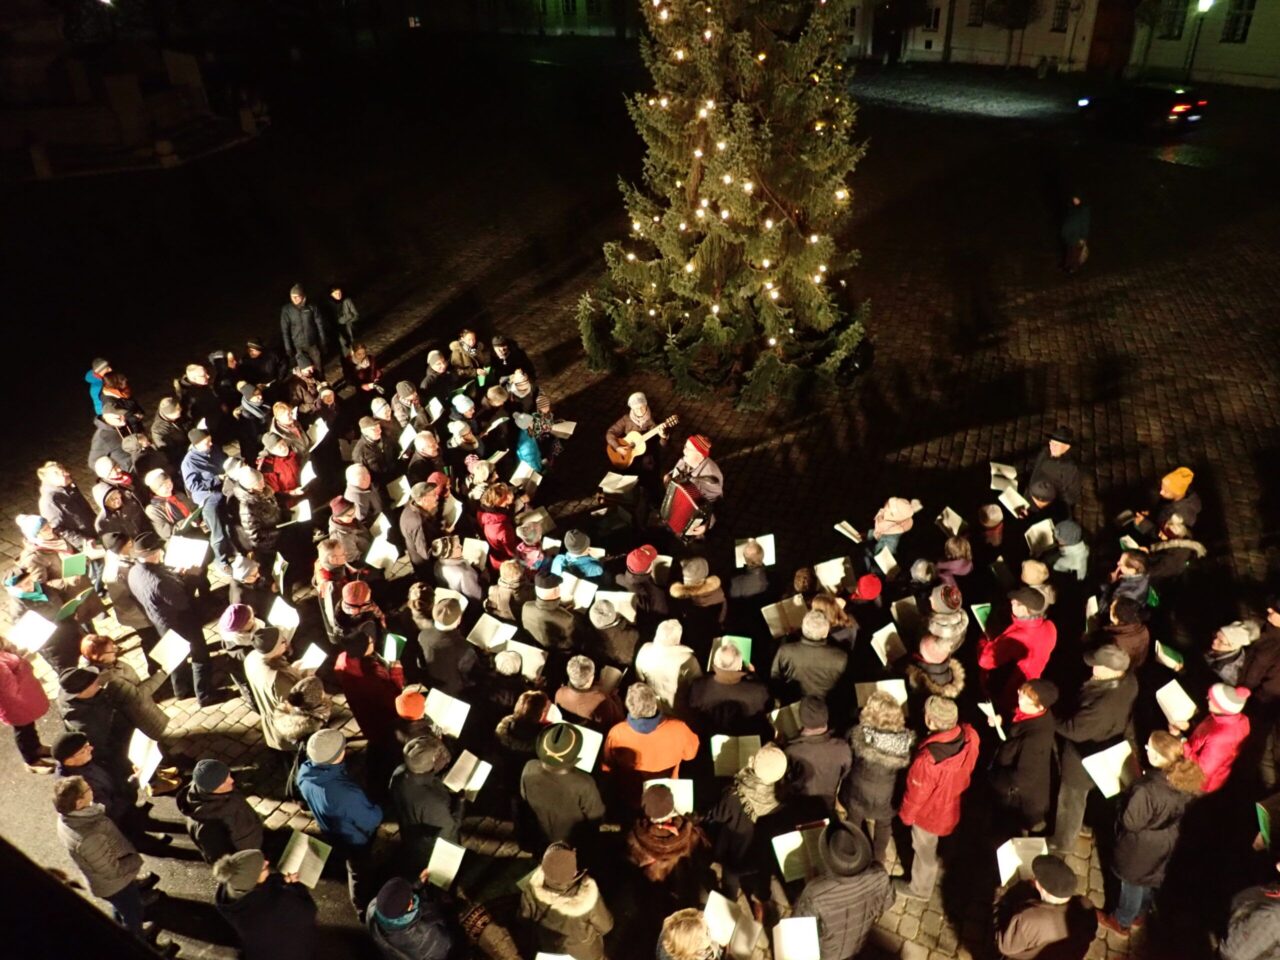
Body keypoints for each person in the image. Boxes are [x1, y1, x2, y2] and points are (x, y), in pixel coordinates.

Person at [1097, 731, 1204, 937]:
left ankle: (1122, 921)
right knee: (1149, 879)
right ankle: (1141, 914)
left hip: (1142, 847)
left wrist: (1123, 800)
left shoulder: (1147, 789)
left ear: (1159, 757)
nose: (1145, 749)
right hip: (1165, 840)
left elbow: (1131, 822)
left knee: (1132, 883)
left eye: (1149, 748)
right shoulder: (1185, 778)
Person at [1050, 645, 1138, 854]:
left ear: (1113, 671)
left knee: (1071, 801)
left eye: (1098, 666)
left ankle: (1064, 842)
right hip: (1106, 741)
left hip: (1082, 758)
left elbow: (1074, 729)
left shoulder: (1102, 704)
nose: (1093, 669)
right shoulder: (1130, 681)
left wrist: (1050, 716)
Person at [895, 696, 980, 902]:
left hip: (931, 814)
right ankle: (945, 860)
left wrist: (906, 817)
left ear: (930, 722)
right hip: (955, 802)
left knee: (924, 852)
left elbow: (916, 796)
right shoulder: (971, 735)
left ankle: (920, 889)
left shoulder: (927, 760)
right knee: (948, 839)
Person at [53, 775, 159, 941]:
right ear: (79, 802)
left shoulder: (68, 817)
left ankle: (123, 922)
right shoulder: (88, 837)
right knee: (133, 912)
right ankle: (139, 940)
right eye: (87, 789)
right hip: (115, 884)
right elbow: (111, 871)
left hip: (110, 883)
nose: (91, 789)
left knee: (122, 908)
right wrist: (133, 861)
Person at [295, 729, 383, 913]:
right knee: (358, 869)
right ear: (338, 754)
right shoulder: (346, 793)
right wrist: (378, 809)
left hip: (329, 829)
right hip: (354, 839)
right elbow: (371, 819)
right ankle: (362, 906)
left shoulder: (305, 772)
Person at [128, 531, 217, 704]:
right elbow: (182, 601)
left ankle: (181, 690)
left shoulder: (134, 572)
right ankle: (204, 694)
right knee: (200, 656)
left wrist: (176, 576)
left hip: (161, 621)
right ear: (153, 553)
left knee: (177, 658)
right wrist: (189, 578)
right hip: (181, 622)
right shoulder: (158, 580)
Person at [792, 820, 895, 960]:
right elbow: (888, 903)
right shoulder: (880, 874)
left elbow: (800, 929)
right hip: (861, 942)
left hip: (830, 952)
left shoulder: (814, 893)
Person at [704, 742, 789, 906]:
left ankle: (731, 902)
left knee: (731, 880)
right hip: (763, 855)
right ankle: (761, 900)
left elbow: (719, 815)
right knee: (762, 878)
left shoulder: (736, 795)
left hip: (737, 853)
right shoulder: (783, 800)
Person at [602, 683, 700, 805]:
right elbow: (690, 755)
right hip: (666, 794)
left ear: (628, 707)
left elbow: (608, 765)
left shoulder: (617, 733)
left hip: (631, 794)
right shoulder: (679, 728)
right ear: (655, 704)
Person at [214, 848, 319, 960]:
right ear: (254, 879)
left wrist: (283, 881)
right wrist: (296, 886)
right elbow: (309, 911)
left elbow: (263, 883)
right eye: (262, 866)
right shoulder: (278, 903)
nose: (267, 862)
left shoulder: (234, 891)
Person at [518, 843, 614, 960]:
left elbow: (524, 917)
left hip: (548, 948)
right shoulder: (586, 895)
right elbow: (606, 926)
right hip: (584, 955)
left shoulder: (532, 886)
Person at [989, 680, 1059, 835]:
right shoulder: (1033, 714)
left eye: (1027, 699)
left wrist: (995, 778)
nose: (1020, 699)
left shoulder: (1035, 739)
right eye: (1021, 693)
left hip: (1017, 800)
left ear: (1040, 706)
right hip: (1013, 789)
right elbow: (1018, 724)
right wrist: (1002, 721)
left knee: (1008, 829)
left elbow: (1024, 777)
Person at [994, 854, 1097, 959]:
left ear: (1043, 889)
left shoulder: (1029, 920)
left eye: (1036, 879)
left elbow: (1005, 947)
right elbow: (1091, 934)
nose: (1034, 879)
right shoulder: (1086, 905)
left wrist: (1002, 897)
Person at [520, 724, 606, 846]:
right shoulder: (584, 783)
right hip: (574, 841)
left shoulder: (529, 767)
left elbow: (524, 797)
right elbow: (596, 817)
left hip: (540, 835)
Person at [626, 782, 709, 905]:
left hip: (652, 893)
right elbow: (704, 854)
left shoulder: (635, 837)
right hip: (683, 891)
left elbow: (630, 864)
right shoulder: (691, 833)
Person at [979, 587, 1057, 714]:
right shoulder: (1050, 626)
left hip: (1008, 686)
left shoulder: (1019, 636)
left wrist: (984, 638)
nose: (1012, 602)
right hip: (1031, 685)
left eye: (1017, 603)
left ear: (1026, 610)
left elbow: (985, 660)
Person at [388, 734, 462, 867]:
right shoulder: (434, 803)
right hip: (433, 850)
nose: (445, 755)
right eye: (441, 753)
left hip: (411, 837)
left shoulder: (399, 773)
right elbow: (450, 829)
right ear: (434, 761)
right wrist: (461, 803)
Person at [176, 758, 265, 864]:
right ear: (211, 789)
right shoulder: (209, 827)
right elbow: (223, 861)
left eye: (228, 776)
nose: (231, 781)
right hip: (248, 856)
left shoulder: (208, 784)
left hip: (253, 837)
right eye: (224, 781)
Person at [783, 696, 852, 814]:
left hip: (799, 810)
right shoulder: (842, 747)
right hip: (828, 808)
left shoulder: (790, 751)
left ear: (802, 718)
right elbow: (846, 775)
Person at [686, 640, 769, 737]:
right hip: (748, 739)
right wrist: (753, 675)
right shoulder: (758, 690)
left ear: (715, 662)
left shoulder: (698, 687)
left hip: (708, 740)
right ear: (739, 665)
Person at [366, 876, 457, 960]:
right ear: (410, 905)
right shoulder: (422, 936)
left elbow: (396, 900)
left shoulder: (373, 908)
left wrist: (418, 884)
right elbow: (446, 945)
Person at [0, 633, 54, 774]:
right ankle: (31, 761)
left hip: (18, 701)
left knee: (28, 726)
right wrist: (23, 664)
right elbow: (9, 688)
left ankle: (36, 748)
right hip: (13, 703)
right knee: (23, 729)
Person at [1182, 683, 1251, 793]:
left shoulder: (1220, 737)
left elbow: (1202, 770)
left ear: (1222, 707)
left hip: (1203, 783)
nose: (1207, 699)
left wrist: (1183, 744)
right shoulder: (1241, 719)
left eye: (1211, 699)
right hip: (1220, 774)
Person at [181, 429, 232, 567]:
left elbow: (225, 459)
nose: (211, 444)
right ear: (196, 445)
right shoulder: (189, 462)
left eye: (210, 440)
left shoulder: (214, 449)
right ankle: (221, 562)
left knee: (232, 522)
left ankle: (235, 550)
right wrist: (216, 479)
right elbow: (193, 486)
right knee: (218, 531)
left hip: (224, 488)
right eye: (206, 442)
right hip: (208, 496)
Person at [772, 609, 849, 701]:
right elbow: (845, 686)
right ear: (825, 634)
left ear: (803, 629)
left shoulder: (785, 651)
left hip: (793, 700)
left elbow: (775, 677)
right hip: (826, 704)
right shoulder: (841, 656)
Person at [635, 619, 702, 716]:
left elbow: (640, 679)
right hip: (679, 709)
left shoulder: (644, 651)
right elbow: (698, 685)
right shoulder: (688, 659)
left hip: (653, 706)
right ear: (678, 638)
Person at [605, 391, 669, 485]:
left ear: (646, 405)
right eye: (636, 409)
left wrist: (663, 437)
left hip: (647, 459)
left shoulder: (655, 422)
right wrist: (617, 447)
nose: (639, 411)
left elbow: (662, 446)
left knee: (650, 483)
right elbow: (610, 433)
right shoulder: (626, 419)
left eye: (641, 407)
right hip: (629, 458)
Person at [664, 435, 723, 536]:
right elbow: (673, 475)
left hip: (696, 523)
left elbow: (716, 505)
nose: (684, 451)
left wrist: (705, 525)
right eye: (685, 447)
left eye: (688, 449)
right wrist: (668, 478)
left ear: (699, 454)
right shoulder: (685, 461)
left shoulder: (711, 478)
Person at [523, 573, 590, 651]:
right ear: (556, 591)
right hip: (557, 650)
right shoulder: (567, 618)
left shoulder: (526, 606)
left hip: (535, 644)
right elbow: (569, 642)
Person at [555, 656, 625, 730]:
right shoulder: (601, 701)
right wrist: (615, 697)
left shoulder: (559, 693)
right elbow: (619, 719)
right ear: (590, 679)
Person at [280, 284, 328, 370]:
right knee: (306, 371)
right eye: (292, 297)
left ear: (302, 296)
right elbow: (285, 330)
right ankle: (311, 383)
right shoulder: (287, 310)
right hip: (298, 346)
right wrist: (288, 347)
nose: (294, 299)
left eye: (297, 297)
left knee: (319, 367)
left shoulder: (311, 306)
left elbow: (320, 325)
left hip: (313, 344)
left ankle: (322, 381)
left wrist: (323, 341)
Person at [1060, 194, 1090, 274]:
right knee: (1069, 251)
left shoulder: (1083, 210)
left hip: (1077, 235)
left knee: (1075, 252)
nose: (1075, 201)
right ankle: (1067, 267)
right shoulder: (1071, 209)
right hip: (1069, 235)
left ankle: (1074, 269)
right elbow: (1067, 222)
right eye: (1074, 199)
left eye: (1077, 199)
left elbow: (1085, 223)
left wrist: (1083, 236)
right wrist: (1064, 232)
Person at [329, 284, 360, 350]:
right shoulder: (330, 305)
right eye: (336, 293)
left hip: (350, 330)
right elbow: (333, 320)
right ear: (331, 294)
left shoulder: (347, 301)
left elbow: (356, 315)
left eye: (339, 292)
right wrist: (349, 316)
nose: (338, 295)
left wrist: (347, 320)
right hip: (339, 333)